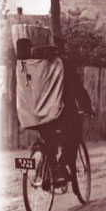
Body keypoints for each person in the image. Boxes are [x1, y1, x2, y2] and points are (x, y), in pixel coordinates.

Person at [38, 37, 95, 183]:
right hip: (61, 112)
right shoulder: (64, 65)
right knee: (74, 135)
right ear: (60, 49)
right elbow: (78, 89)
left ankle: (46, 170)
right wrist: (88, 108)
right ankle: (61, 168)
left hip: (38, 112)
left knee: (48, 139)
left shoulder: (37, 65)